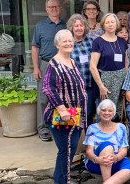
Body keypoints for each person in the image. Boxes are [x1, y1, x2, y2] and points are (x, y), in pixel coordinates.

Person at [42, 29, 87, 184]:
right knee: (65, 151)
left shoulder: (72, 61)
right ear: (57, 45)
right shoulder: (54, 64)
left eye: (70, 40)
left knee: (69, 150)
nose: (68, 43)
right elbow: (48, 87)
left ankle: (62, 180)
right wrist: (62, 109)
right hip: (62, 116)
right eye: (64, 41)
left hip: (74, 114)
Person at [31, 0, 66, 142]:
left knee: (62, 96)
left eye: (57, 6)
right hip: (45, 64)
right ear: (46, 9)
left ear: (61, 9)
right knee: (44, 97)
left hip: (63, 64)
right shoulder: (40, 26)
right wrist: (36, 67)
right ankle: (43, 127)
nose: (54, 9)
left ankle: (59, 125)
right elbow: (35, 47)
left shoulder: (66, 25)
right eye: (51, 7)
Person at [83, 99, 130, 183]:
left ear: (114, 113)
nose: (107, 113)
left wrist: (116, 157)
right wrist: (98, 159)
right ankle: (107, 179)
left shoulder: (121, 127)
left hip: (115, 160)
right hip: (96, 162)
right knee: (107, 145)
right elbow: (89, 151)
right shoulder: (92, 128)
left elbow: (123, 150)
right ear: (99, 112)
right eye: (103, 110)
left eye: (110, 111)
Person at [89, 13, 129, 121]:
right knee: (104, 111)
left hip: (121, 80)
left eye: (112, 22)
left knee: (118, 112)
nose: (110, 24)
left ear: (117, 24)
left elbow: (126, 63)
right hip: (105, 81)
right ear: (103, 25)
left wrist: (126, 83)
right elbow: (93, 66)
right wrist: (101, 86)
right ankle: (103, 136)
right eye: (107, 22)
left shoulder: (122, 41)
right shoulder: (98, 42)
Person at [67, 14, 96, 127]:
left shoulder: (92, 42)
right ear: (71, 28)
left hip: (89, 85)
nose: (79, 28)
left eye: (81, 25)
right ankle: (74, 139)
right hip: (73, 87)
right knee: (74, 113)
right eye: (76, 26)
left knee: (88, 113)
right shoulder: (68, 43)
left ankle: (87, 140)